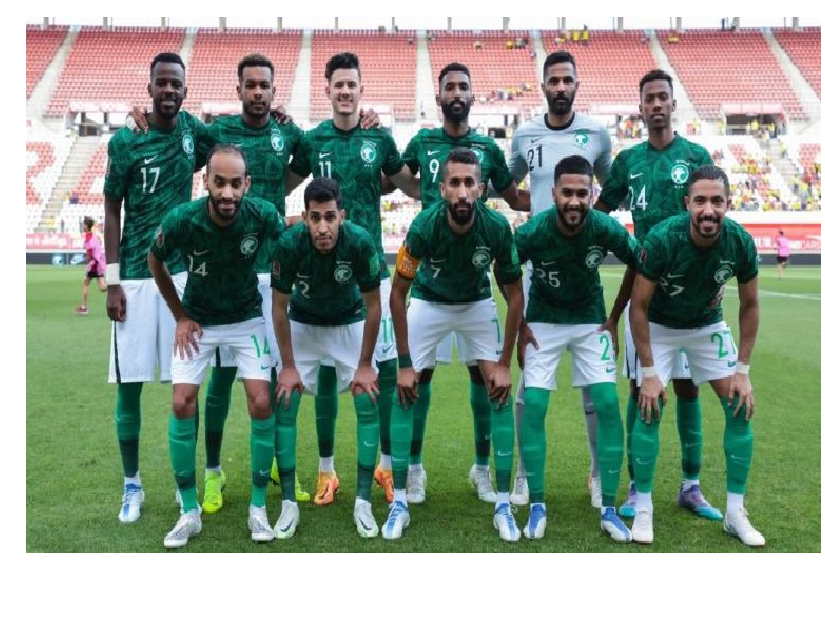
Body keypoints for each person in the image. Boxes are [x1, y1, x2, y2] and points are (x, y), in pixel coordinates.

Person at [287, 52, 418, 506]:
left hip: (369, 272)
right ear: (327, 90)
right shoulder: (312, 141)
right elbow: (278, 182)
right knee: (326, 375)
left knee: (383, 374)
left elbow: (406, 184)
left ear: (362, 90)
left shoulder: (378, 137)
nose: (345, 91)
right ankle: (327, 471)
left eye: (352, 85)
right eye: (338, 84)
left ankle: (385, 465)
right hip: (321, 276)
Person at [398, 62, 527, 505]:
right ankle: (414, 469)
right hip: (428, 289)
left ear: (472, 95)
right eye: (449, 87)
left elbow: (513, 197)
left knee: (483, 376)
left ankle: (481, 468)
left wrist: (559, 199)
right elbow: (392, 180)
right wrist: (369, 128)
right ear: (439, 97)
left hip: (474, 292)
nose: (456, 93)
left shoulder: (488, 148)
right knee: (419, 377)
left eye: (463, 87)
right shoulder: (422, 142)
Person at [381, 148, 524, 542]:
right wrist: (405, 363)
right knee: (405, 389)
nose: (462, 191)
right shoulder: (424, 226)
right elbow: (397, 295)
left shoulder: (497, 227)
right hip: (429, 301)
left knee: (498, 391)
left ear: (481, 188)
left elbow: (515, 297)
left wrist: (503, 364)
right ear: (442, 188)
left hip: (476, 303)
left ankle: (503, 503)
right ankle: (400, 500)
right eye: (455, 183)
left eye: (469, 183)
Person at [595, 69, 719, 522]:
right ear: (641, 108)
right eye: (649, 98)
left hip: (692, 298)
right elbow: (600, 212)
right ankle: (636, 485)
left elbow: (716, 215)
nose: (657, 105)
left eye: (663, 97)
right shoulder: (629, 162)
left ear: (672, 103)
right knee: (640, 388)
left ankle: (691, 486)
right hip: (645, 296)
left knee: (688, 388)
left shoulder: (695, 156)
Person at [148, 144, 286, 548]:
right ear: (205, 181)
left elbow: (289, 248)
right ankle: (189, 511)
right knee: (182, 403)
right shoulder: (182, 219)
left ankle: (258, 508)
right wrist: (179, 316)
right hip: (199, 320)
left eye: (235, 184)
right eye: (219, 182)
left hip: (246, 319)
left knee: (261, 401)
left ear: (247, 184)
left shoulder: (262, 215)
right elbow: (155, 260)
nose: (227, 193)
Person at [629, 165, 764, 547]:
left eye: (717, 201)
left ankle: (735, 513)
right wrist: (650, 372)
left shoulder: (740, 242)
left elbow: (750, 305)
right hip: (659, 325)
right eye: (700, 200)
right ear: (687, 203)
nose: (708, 210)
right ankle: (643, 508)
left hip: (706, 325)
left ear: (728, 203)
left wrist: (742, 370)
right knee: (649, 406)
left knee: (739, 405)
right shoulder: (663, 239)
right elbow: (638, 306)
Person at [104, 52, 210, 524]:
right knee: (129, 387)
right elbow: (112, 210)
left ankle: (185, 484)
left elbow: (240, 137)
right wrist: (112, 282)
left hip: (182, 279)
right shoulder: (127, 139)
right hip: (133, 278)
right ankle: (132, 485)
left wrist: (281, 115)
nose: (169, 90)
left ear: (185, 91)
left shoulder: (193, 132)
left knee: (185, 389)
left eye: (176, 84)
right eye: (162, 82)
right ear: (149, 88)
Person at [507, 50, 614, 508]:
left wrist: (588, 226)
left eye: (567, 80)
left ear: (576, 85)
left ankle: (598, 473)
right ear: (543, 86)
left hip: (583, 275)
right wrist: (532, 214)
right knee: (530, 380)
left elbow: (609, 186)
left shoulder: (598, 135)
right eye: (553, 80)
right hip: (538, 273)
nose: (560, 87)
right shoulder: (524, 135)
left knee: (595, 385)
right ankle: (523, 474)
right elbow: (508, 185)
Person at [514, 156, 639, 542]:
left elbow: (639, 262)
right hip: (543, 321)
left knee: (607, 403)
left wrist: (615, 317)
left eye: (581, 193)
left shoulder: (604, 226)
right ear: (553, 193)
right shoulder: (534, 231)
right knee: (534, 404)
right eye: (566, 192)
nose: (574, 201)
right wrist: (520, 325)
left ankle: (608, 507)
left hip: (590, 322)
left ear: (592, 194)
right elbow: (505, 270)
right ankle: (536, 503)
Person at [270, 178, 384, 539]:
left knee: (367, 397)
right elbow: (278, 307)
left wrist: (364, 365)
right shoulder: (289, 244)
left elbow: (374, 306)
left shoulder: (360, 242)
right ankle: (289, 503)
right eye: (315, 218)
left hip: (348, 321)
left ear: (341, 216)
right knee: (285, 399)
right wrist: (288, 367)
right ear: (304, 217)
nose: (323, 227)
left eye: (330, 217)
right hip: (303, 323)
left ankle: (363, 501)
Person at [76, 217, 107, 315]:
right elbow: (98, 245)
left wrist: (88, 261)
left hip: (94, 264)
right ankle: (117, 286)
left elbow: (90, 252)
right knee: (102, 288)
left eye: (83, 224)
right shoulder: (94, 236)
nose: (82, 226)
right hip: (99, 263)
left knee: (85, 283)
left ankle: (84, 307)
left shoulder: (89, 237)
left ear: (86, 225)